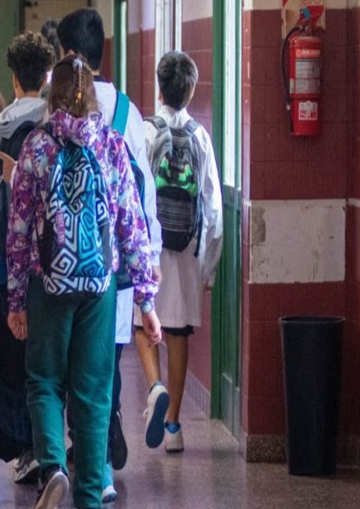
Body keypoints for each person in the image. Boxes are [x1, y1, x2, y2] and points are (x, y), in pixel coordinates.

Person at [5, 53, 161, 509]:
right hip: (100, 286)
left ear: (51, 98)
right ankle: (90, 496)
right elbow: (133, 228)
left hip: (46, 281)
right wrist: (146, 303)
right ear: (92, 96)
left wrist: (16, 300)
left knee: (45, 382)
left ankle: (53, 468)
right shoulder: (112, 146)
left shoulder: (35, 146)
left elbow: (18, 231)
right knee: (94, 393)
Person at [56, 7, 162, 501]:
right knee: (105, 368)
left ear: (66, 56)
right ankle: (97, 454)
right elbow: (144, 201)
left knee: (67, 367)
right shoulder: (128, 115)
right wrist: (148, 274)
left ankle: (85, 451)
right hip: (114, 270)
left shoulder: (52, 112)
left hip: (61, 269)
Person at [137, 50, 223, 454]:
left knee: (142, 325)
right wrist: (210, 268)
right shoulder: (201, 137)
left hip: (151, 249)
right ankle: (174, 425)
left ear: (159, 88)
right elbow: (214, 206)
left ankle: (155, 387)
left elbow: (133, 193)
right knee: (178, 332)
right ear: (191, 92)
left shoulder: (146, 132)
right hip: (188, 249)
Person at [0, 30, 55, 485]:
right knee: (47, 361)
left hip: (9, 260)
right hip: (51, 261)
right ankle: (50, 447)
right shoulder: (55, 124)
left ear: (12, 79)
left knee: (15, 357)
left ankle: (24, 446)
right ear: (46, 77)